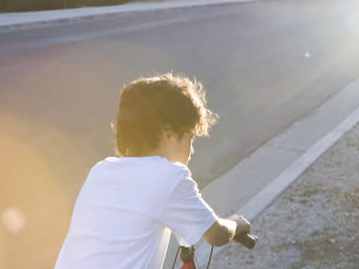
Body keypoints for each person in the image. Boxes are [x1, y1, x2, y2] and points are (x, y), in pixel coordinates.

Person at [54, 73, 251, 269]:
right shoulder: (170, 176)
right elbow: (217, 235)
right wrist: (236, 224)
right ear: (168, 134)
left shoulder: (100, 170)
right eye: (189, 137)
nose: (191, 149)